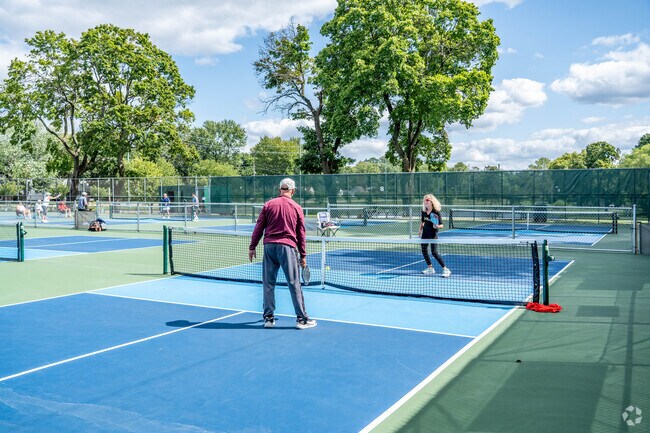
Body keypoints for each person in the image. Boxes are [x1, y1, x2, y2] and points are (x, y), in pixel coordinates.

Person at [248, 178, 316, 330]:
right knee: (294, 283)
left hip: (269, 247)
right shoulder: (297, 207)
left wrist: (252, 246)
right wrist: (303, 255)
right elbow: (301, 234)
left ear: (280, 189)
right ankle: (301, 319)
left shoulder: (268, 205)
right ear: (293, 191)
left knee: (268, 283)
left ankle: (269, 318)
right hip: (287, 247)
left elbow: (259, 227)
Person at [419, 194, 451, 277]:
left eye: (427, 200)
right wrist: (420, 230)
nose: (425, 201)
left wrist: (437, 226)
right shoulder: (423, 211)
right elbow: (422, 222)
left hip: (433, 234)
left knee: (434, 252)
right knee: (424, 250)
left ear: (431, 201)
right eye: (424, 200)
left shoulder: (436, 212)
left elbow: (441, 225)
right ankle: (430, 268)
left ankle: (445, 269)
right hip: (425, 233)